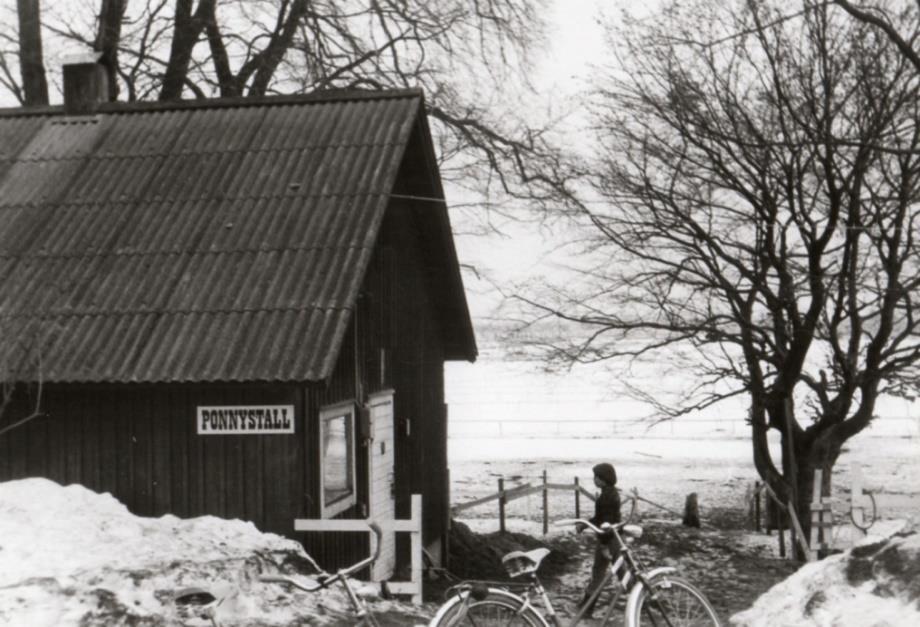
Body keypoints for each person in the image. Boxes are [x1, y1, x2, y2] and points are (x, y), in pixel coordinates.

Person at [577, 462, 622, 618]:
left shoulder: (607, 498)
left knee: (608, 572)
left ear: (604, 479)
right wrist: (584, 525)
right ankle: (587, 606)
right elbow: (599, 518)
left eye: (596, 477)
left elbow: (605, 524)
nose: (594, 479)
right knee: (604, 572)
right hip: (611, 537)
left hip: (610, 539)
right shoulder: (609, 493)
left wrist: (603, 545)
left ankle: (587, 607)